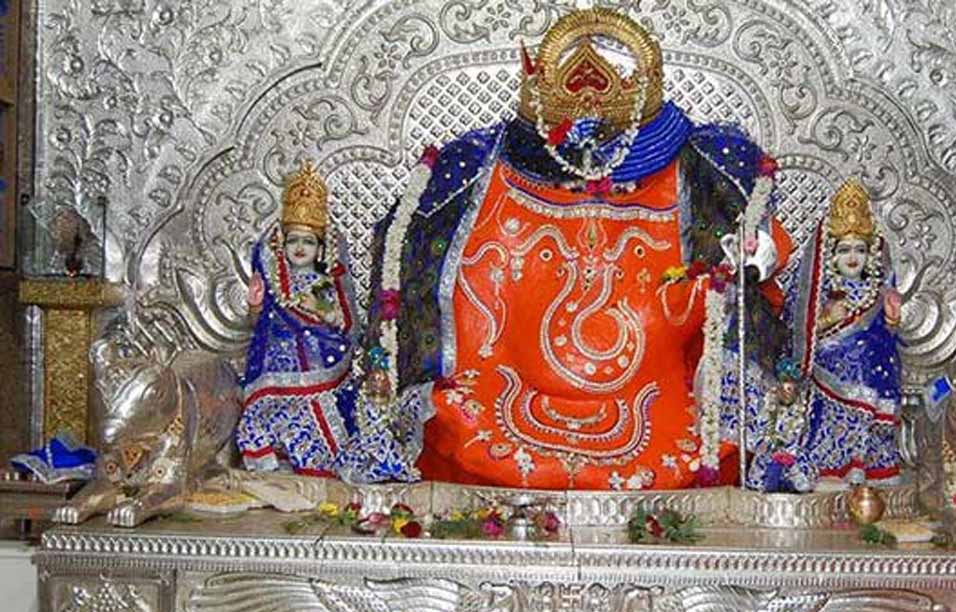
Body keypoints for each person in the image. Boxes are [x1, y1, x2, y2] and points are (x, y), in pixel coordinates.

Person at [362, 8, 793, 490]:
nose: (591, 172)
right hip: (500, 382)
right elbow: (414, 256)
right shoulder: (479, 165)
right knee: (463, 419)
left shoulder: (701, 166)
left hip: (659, 389)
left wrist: (746, 263)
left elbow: (758, 248)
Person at [764, 178, 903, 489]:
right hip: (830, 371)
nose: (853, 257)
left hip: (874, 374)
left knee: (869, 368)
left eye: (860, 250)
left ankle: (870, 470)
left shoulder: (878, 291)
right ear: (831, 255)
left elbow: (890, 341)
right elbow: (794, 331)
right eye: (844, 250)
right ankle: (833, 468)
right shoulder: (819, 291)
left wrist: (892, 321)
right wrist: (827, 319)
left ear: (871, 254)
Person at [235, 160, 359, 475]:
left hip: (317, 368)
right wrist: (255, 306)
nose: (300, 247)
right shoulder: (274, 280)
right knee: (263, 412)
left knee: (313, 412)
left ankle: (314, 460)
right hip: (272, 369)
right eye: (293, 240)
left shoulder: (322, 282)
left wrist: (320, 310)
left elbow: (341, 322)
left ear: (320, 248)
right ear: (282, 243)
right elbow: (256, 325)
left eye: (308, 241)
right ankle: (271, 459)